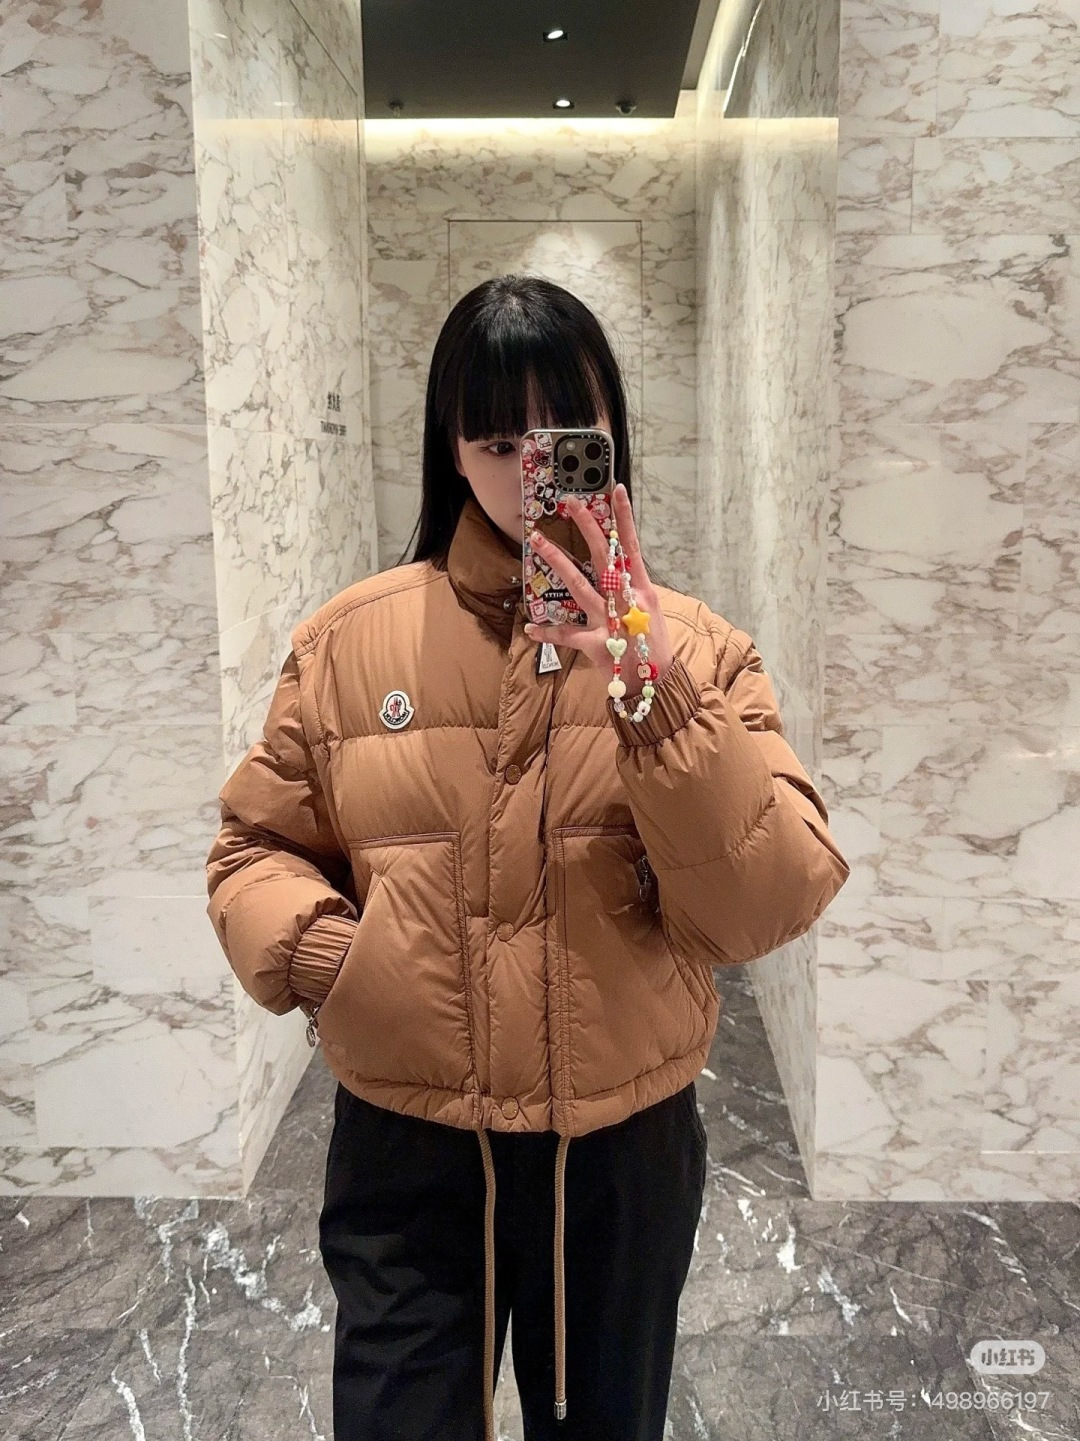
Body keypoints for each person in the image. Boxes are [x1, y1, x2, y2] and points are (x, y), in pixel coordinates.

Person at [205, 274, 850, 1441]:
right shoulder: (348, 643)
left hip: (618, 1148)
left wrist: (654, 694)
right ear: (451, 451)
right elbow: (256, 846)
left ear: (611, 442)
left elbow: (765, 902)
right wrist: (336, 960)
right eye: (498, 441)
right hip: (409, 1143)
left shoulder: (701, 651)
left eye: (564, 440)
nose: (530, 474)